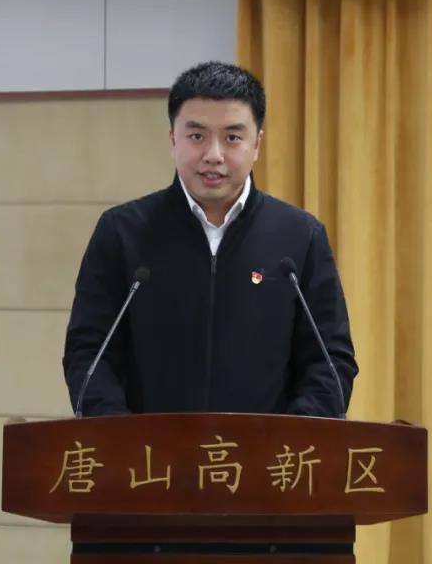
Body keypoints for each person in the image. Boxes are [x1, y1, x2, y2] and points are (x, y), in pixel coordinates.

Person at [62, 61, 357, 418]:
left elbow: (330, 362)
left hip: (267, 451)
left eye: (232, 137)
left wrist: (285, 439)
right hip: (147, 451)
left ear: (257, 144)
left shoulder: (300, 236)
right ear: (173, 140)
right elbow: (89, 354)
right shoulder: (122, 232)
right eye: (197, 136)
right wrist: (121, 437)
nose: (213, 156)